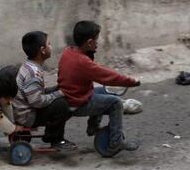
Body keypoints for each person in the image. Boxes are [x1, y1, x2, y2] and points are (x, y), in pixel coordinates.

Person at [57, 20, 141, 153]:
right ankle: (116, 142)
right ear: (89, 42)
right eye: (96, 40)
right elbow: (107, 76)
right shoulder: (83, 61)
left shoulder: (69, 52)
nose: (98, 43)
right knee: (116, 103)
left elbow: (98, 70)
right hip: (77, 102)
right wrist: (130, 81)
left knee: (103, 91)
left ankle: (93, 127)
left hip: (72, 96)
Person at [13, 31, 76, 151]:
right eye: (49, 44)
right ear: (42, 50)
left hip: (24, 109)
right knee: (61, 104)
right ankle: (55, 139)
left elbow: (36, 93)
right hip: (27, 116)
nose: (51, 46)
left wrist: (55, 89)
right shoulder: (33, 73)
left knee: (58, 98)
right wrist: (58, 93)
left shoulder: (29, 66)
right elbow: (37, 102)